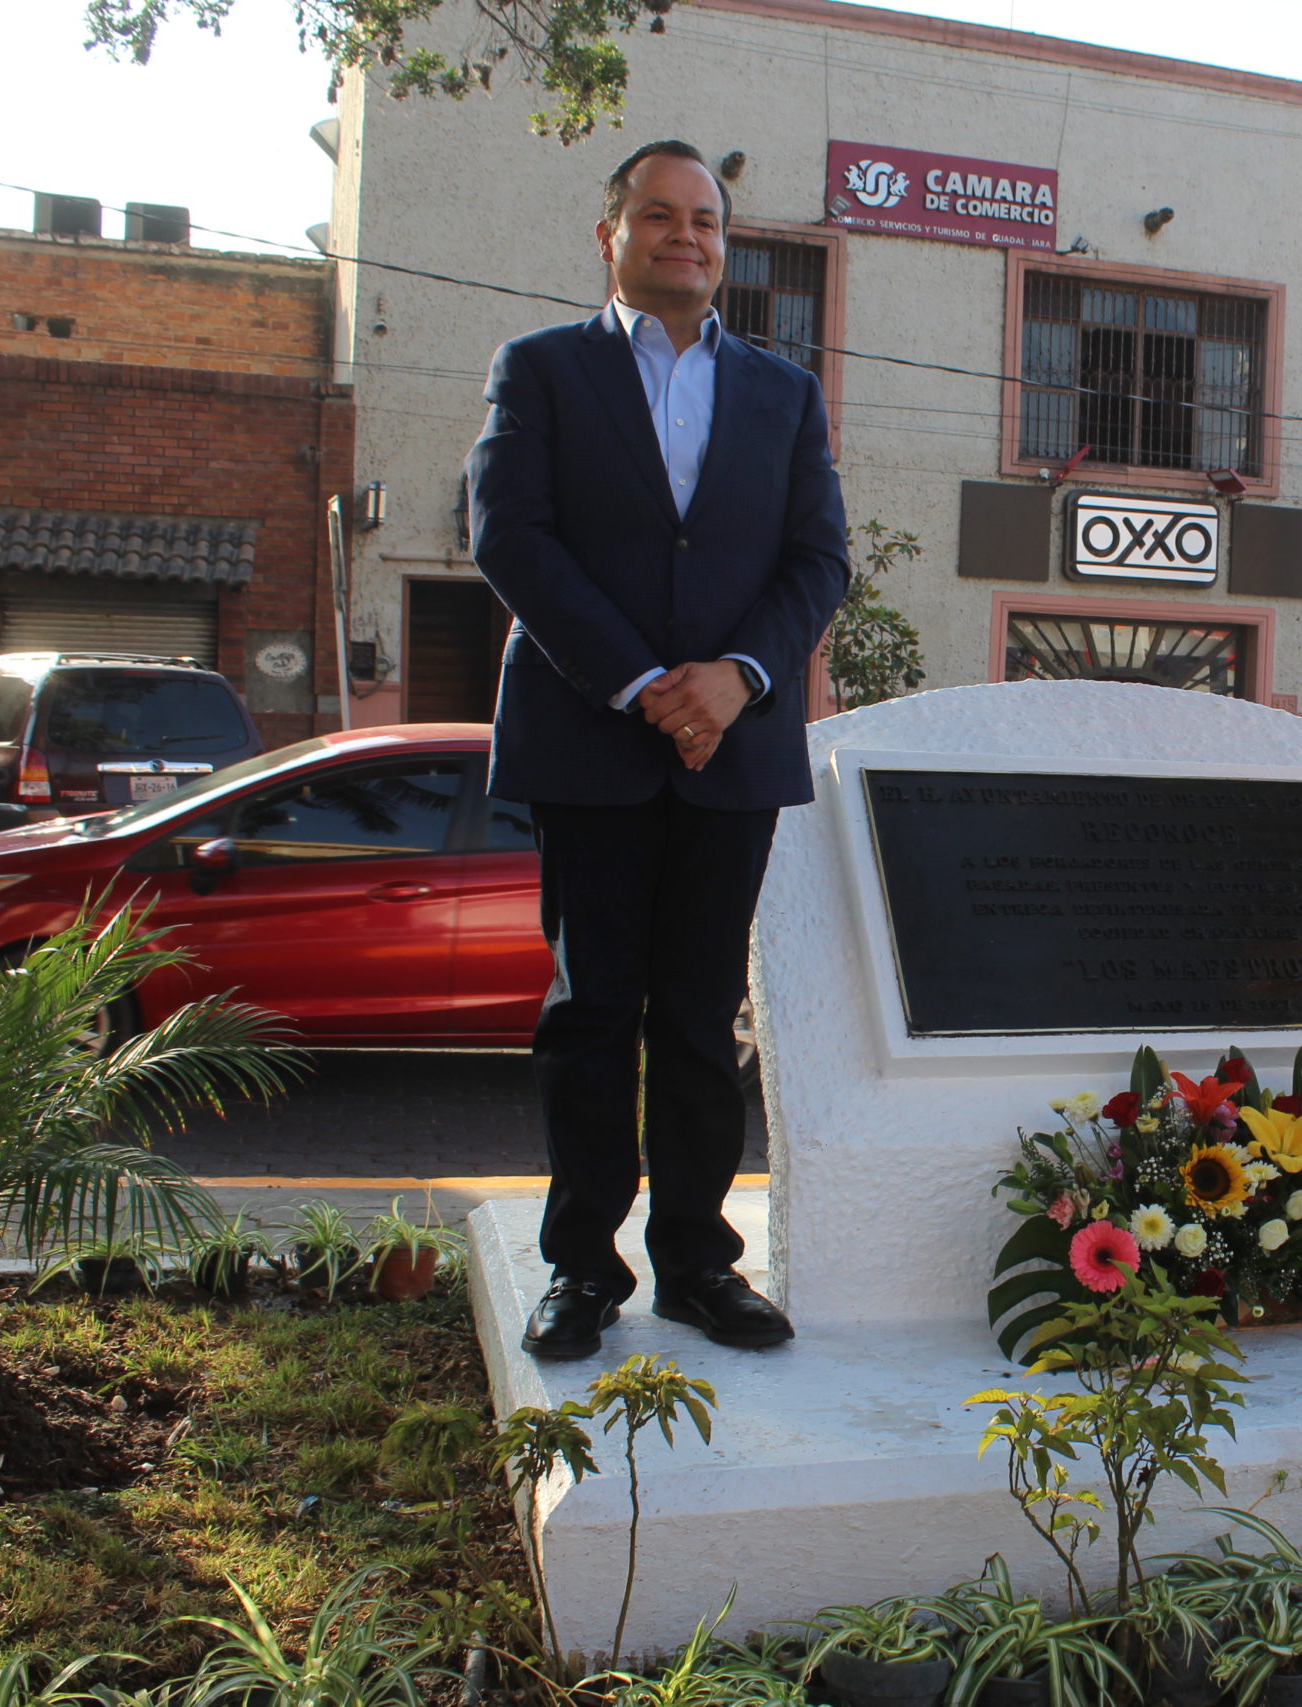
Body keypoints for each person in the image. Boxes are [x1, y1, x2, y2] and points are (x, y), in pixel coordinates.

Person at [467, 139, 849, 1361]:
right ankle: (581, 1272)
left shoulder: (784, 395)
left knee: (697, 1017)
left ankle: (697, 1268)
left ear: (725, 245)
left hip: (731, 750)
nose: (684, 234)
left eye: (705, 219)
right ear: (611, 237)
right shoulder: (539, 372)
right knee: (593, 1013)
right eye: (657, 215)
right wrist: (641, 683)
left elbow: (817, 562)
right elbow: (509, 538)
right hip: (592, 739)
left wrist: (736, 679)